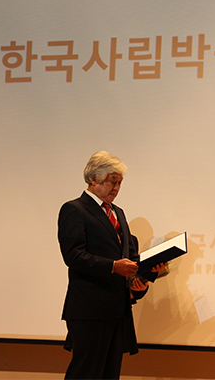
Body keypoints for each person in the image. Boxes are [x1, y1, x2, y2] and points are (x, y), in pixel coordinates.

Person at [58, 151, 166, 379]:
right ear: (93, 178)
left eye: (120, 183)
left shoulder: (118, 213)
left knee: (110, 373)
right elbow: (73, 255)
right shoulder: (75, 209)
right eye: (112, 181)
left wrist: (147, 272)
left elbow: (130, 257)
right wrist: (113, 266)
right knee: (86, 373)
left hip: (117, 309)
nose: (116, 188)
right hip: (90, 310)